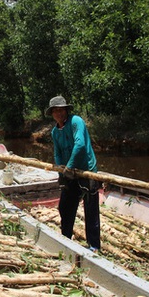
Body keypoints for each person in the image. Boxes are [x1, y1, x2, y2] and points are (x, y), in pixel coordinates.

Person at [46, 95, 101, 252]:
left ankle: (94, 246)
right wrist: (61, 172)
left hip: (86, 171)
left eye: (61, 110)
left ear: (66, 110)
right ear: (52, 114)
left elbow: (80, 145)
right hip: (69, 172)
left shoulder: (76, 121)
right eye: (55, 111)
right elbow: (57, 152)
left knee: (90, 210)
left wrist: (69, 167)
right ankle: (65, 239)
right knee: (65, 207)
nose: (59, 113)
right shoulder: (55, 132)